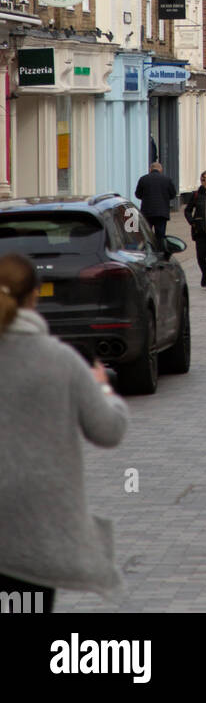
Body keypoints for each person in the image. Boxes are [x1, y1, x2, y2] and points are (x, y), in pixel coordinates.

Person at [0, 253, 128, 610]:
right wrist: (102, 386)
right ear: (34, 297)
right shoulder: (60, 360)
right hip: (36, 531)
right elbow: (108, 430)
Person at [133, 160, 177, 241]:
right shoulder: (167, 180)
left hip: (147, 212)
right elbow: (173, 194)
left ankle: (148, 250)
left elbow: (137, 194)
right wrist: (165, 198)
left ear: (150, 169)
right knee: (160, 237)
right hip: (162, 213)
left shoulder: (143, 179)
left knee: (146, 236)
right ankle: (159, 251)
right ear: (161, 170)